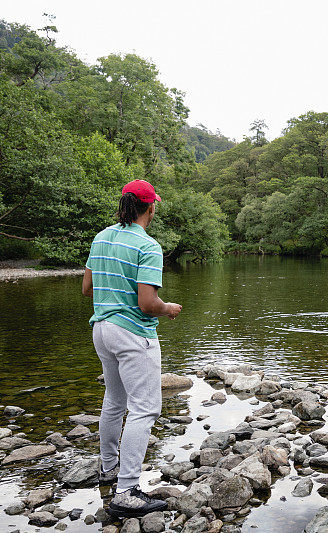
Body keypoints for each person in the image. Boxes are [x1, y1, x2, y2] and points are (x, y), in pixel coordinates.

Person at [82, 179, 182, 518]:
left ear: (125, 204)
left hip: (102, 329)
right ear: (150, 207)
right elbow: (146, 303)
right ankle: (126, 491)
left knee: (114, 400)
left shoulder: (101, 237)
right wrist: (168, 308)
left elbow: (86, 288)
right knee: (145, 409)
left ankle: (108, 469)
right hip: (133, 335)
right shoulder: (148, 246)